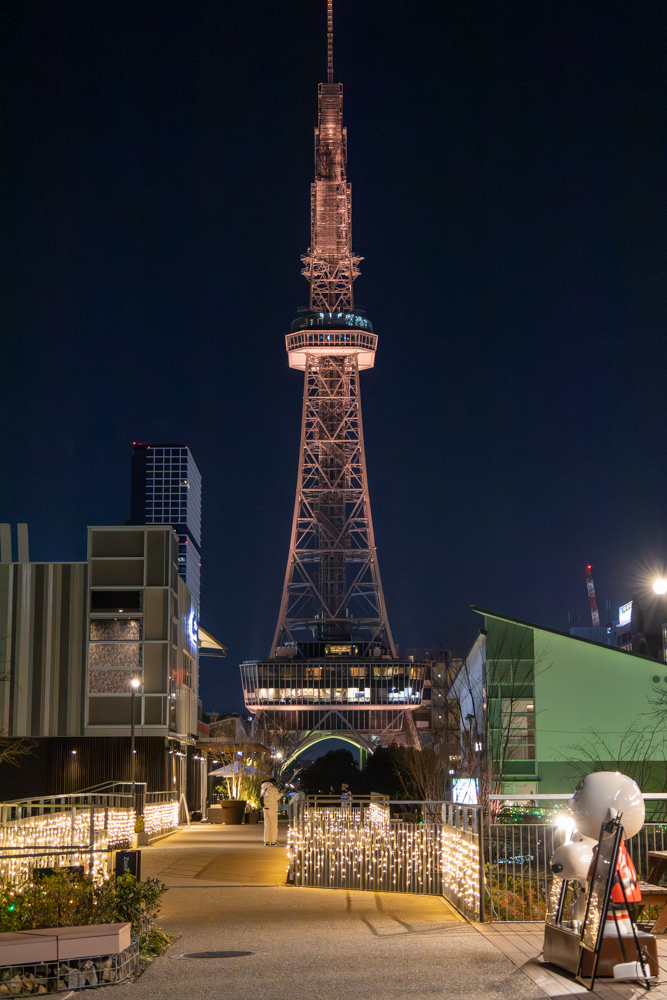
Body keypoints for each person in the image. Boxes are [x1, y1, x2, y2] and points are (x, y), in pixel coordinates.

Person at [260, 777, 283, 846]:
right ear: (274, 783)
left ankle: (266, 841)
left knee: (267, 826)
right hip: (272, 809)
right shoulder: (273, 788)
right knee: (273, 826)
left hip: (265, 808)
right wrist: (280, 793)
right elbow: (277, 797)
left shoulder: (263, 789)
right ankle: (273, 841)